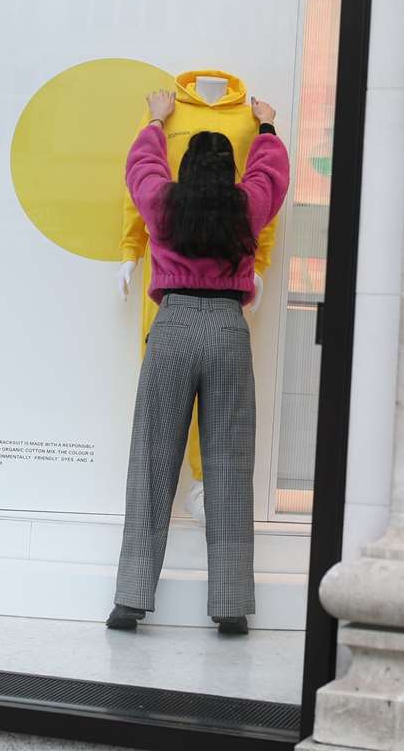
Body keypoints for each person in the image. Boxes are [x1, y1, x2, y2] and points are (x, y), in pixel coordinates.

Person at [108, 89, 290, 635]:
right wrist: (265, 129)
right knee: (229, 466)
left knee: (151, 462)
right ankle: (231, 607)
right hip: (228, 328)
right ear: (228, 172)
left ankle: (130, 602)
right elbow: (270, 178)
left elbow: (140, 168)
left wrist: (156, 121)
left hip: (174, 324)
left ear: (184, 170)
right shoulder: (245, 207)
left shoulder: (164, 203)